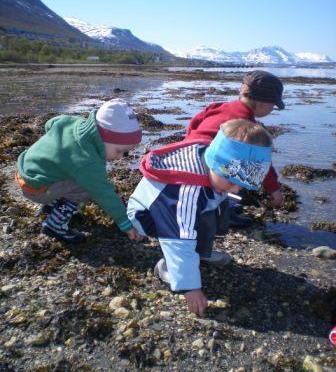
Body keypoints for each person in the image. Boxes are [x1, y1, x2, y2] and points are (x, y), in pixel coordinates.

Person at [127, 119, 273, 317]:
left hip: (184, 205)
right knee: (188, 228)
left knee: (215, 206)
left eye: (243, 184)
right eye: (232, 181)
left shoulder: (211, 161)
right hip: (147, 215)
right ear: (216, 162)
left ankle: (202, 253)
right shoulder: (187, 190)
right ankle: (168, 267)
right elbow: (178, 238)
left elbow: (221, 188)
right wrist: (191, 288)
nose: (237, 188)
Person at [15, 99, 144, 244]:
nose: (120, 157)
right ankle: (55, 224)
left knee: (71, 173)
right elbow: (103, 193)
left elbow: (50, 124)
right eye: (119, 151)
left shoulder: (74, 122)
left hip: (25, 171)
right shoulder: (87, 159)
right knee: (87, 188)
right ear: (103, 136)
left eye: (125, 153)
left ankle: (52, 204)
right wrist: (125, 223)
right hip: (36, 188)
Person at [184, 70, 285, 230]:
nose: (272, 109)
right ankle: (224, 214)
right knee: (237, 173)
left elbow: (194, 123)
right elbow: (261, 164)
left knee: (226, 171)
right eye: (273, 105)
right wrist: (275, 191)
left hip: (189, 156)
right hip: (211, 169)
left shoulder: (217, 106)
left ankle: (224, 203)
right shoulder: (246, 129)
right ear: (263, 104)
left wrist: (187, 143)